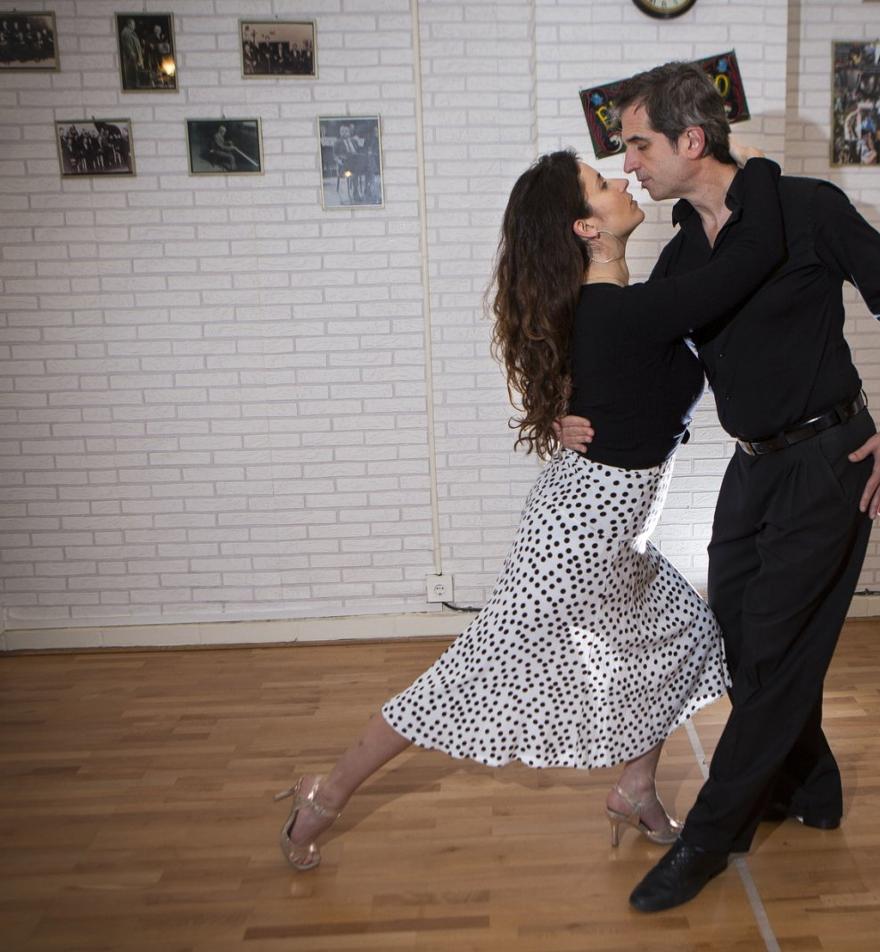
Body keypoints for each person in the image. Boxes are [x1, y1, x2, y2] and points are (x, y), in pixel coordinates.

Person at [273, 144, 788, 871]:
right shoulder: (619, 312)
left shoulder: (610, 308)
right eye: (602, 184)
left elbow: (620, 367)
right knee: (469, 676)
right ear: (586, 228)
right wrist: (757, 171)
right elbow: (751, 256)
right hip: (574, 540)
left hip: (619, 532)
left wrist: (559, 411)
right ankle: (323, 794)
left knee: (685, 637)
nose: (622, 181)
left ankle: (634, 788)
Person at [556, 61, 880, 913]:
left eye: (638, 144)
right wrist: (569, 410)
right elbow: (642, 350)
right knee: (737, 638)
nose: (628, 165)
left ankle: (709, 836)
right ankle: (810, 786)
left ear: (691, 140)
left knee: (772, 654)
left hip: (829, 458)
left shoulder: (806, 209)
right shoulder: (684, 250)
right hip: (752, 465)